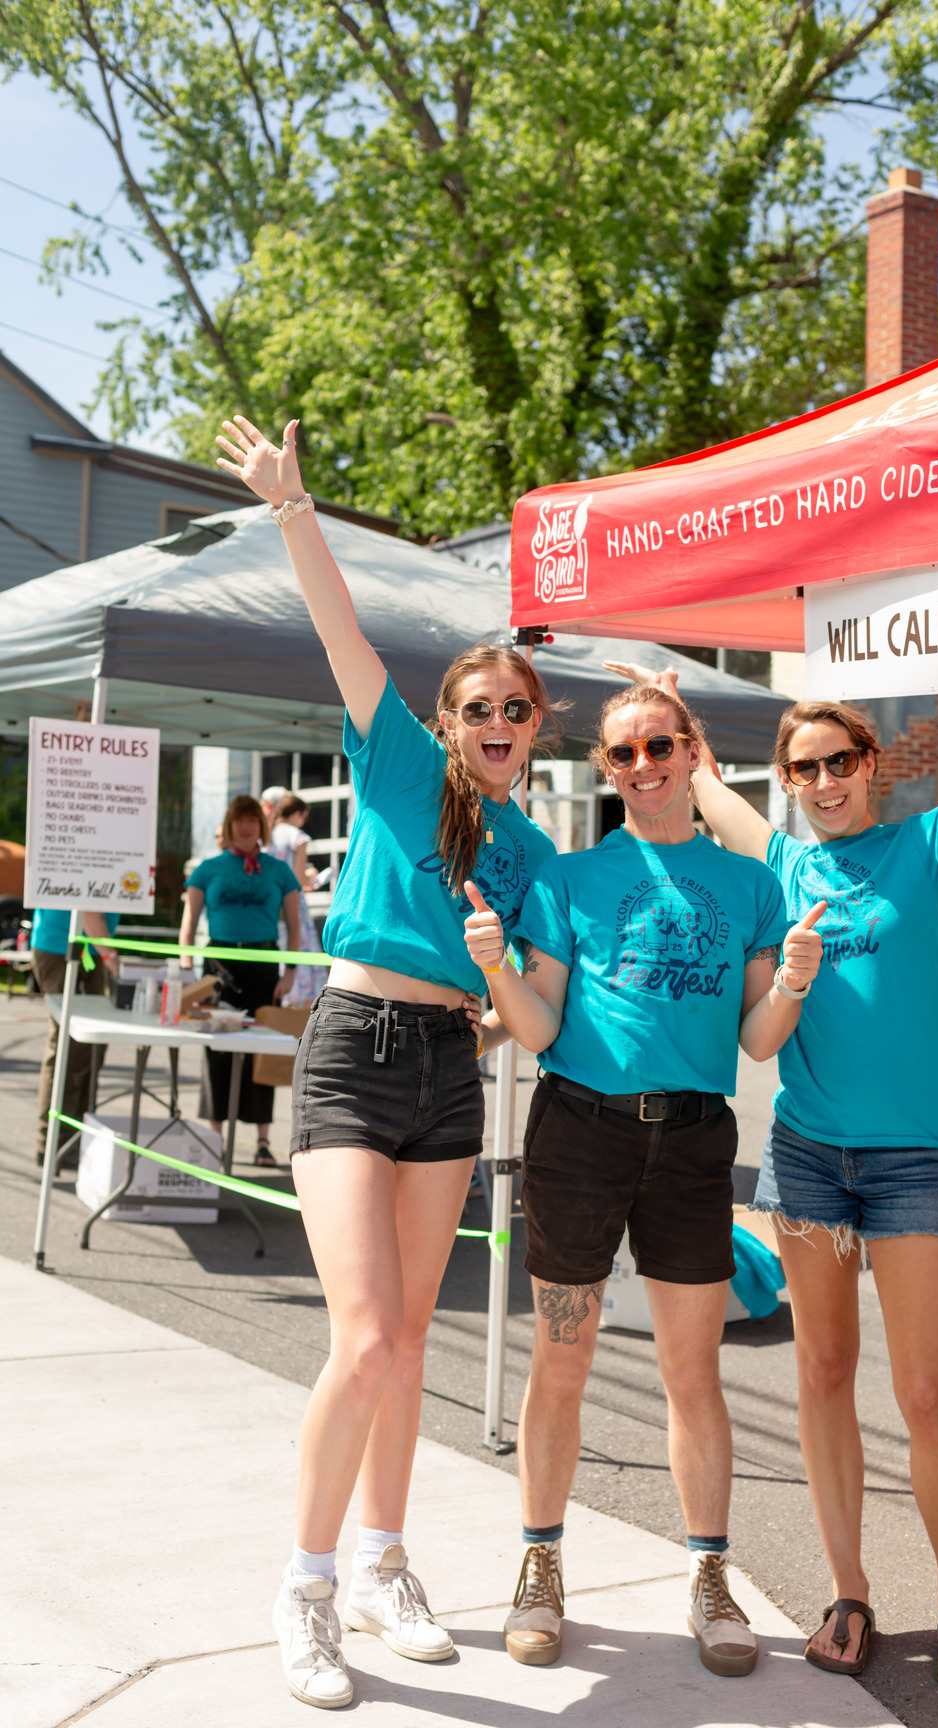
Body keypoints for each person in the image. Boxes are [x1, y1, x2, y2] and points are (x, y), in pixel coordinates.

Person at [612, 649, 938, 1689]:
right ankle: (849, 1591)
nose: (824, 781)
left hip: (914, 1164)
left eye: (840, 761)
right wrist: (670, 702)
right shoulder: (778, 862)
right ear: (791, 780)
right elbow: (703, 779)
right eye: (806, 767)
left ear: (874, 763)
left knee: (925, 1392)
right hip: (808, 1159)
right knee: (819, 1376)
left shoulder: (924, 847)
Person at [215, 411, 559, 1710]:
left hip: (449, 1068)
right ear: (449, 718)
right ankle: (304, 1591)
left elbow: (536, 1011)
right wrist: (293, 508)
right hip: (356, 1044)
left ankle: (382, 1562)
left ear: (534, 728)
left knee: (409, 1340)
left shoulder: (528, 857)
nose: (496, 722)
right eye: (479, 705)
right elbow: (338, 630)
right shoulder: (401, 761)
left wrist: (500, 974)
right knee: (362, 1337)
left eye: (516, 711)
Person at [463, 682, 824, 1677]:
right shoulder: (570, 881)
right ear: (606, 770)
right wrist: (496, 968)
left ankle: (711, 1577)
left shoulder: (752, 885)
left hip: (697, 1139)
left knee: (691, 1376)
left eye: (658, 745)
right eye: (620, 754)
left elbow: (756, 1042)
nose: (642, 766)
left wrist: (793, 978)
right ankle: (539, 1565)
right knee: (562, 1364)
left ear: (692, 749)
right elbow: (537, 1027)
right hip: (580, 1131)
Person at [180, 794, 300, 1167]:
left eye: (252, 819)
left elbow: (295, 928)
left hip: (265, 965)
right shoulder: (207, 868)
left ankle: (263, 1140)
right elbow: (188, 926)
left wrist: (291, 972)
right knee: (217, 1048)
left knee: (262, 1051)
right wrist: (186, 968)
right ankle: (214, 1139)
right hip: (218, 966)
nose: (246, 826)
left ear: (261, 826)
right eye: (238, 819)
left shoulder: (280, 871)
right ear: (230, 825)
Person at [31, 908, 121, 1166]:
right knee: (68, 1047)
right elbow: (91, 912)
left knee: (88, 1049)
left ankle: (74, 1138)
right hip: (66, 948)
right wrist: (111, 958)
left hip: (89, 948)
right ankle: (54, 1142)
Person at [268, 795, 328, 1004]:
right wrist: (313, 876)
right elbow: (298, 879)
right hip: (292, 903)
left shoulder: (268, 835)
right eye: (303, 816)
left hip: (270, 905)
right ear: (295, 814)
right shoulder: (298, 837)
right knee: (299, 949)